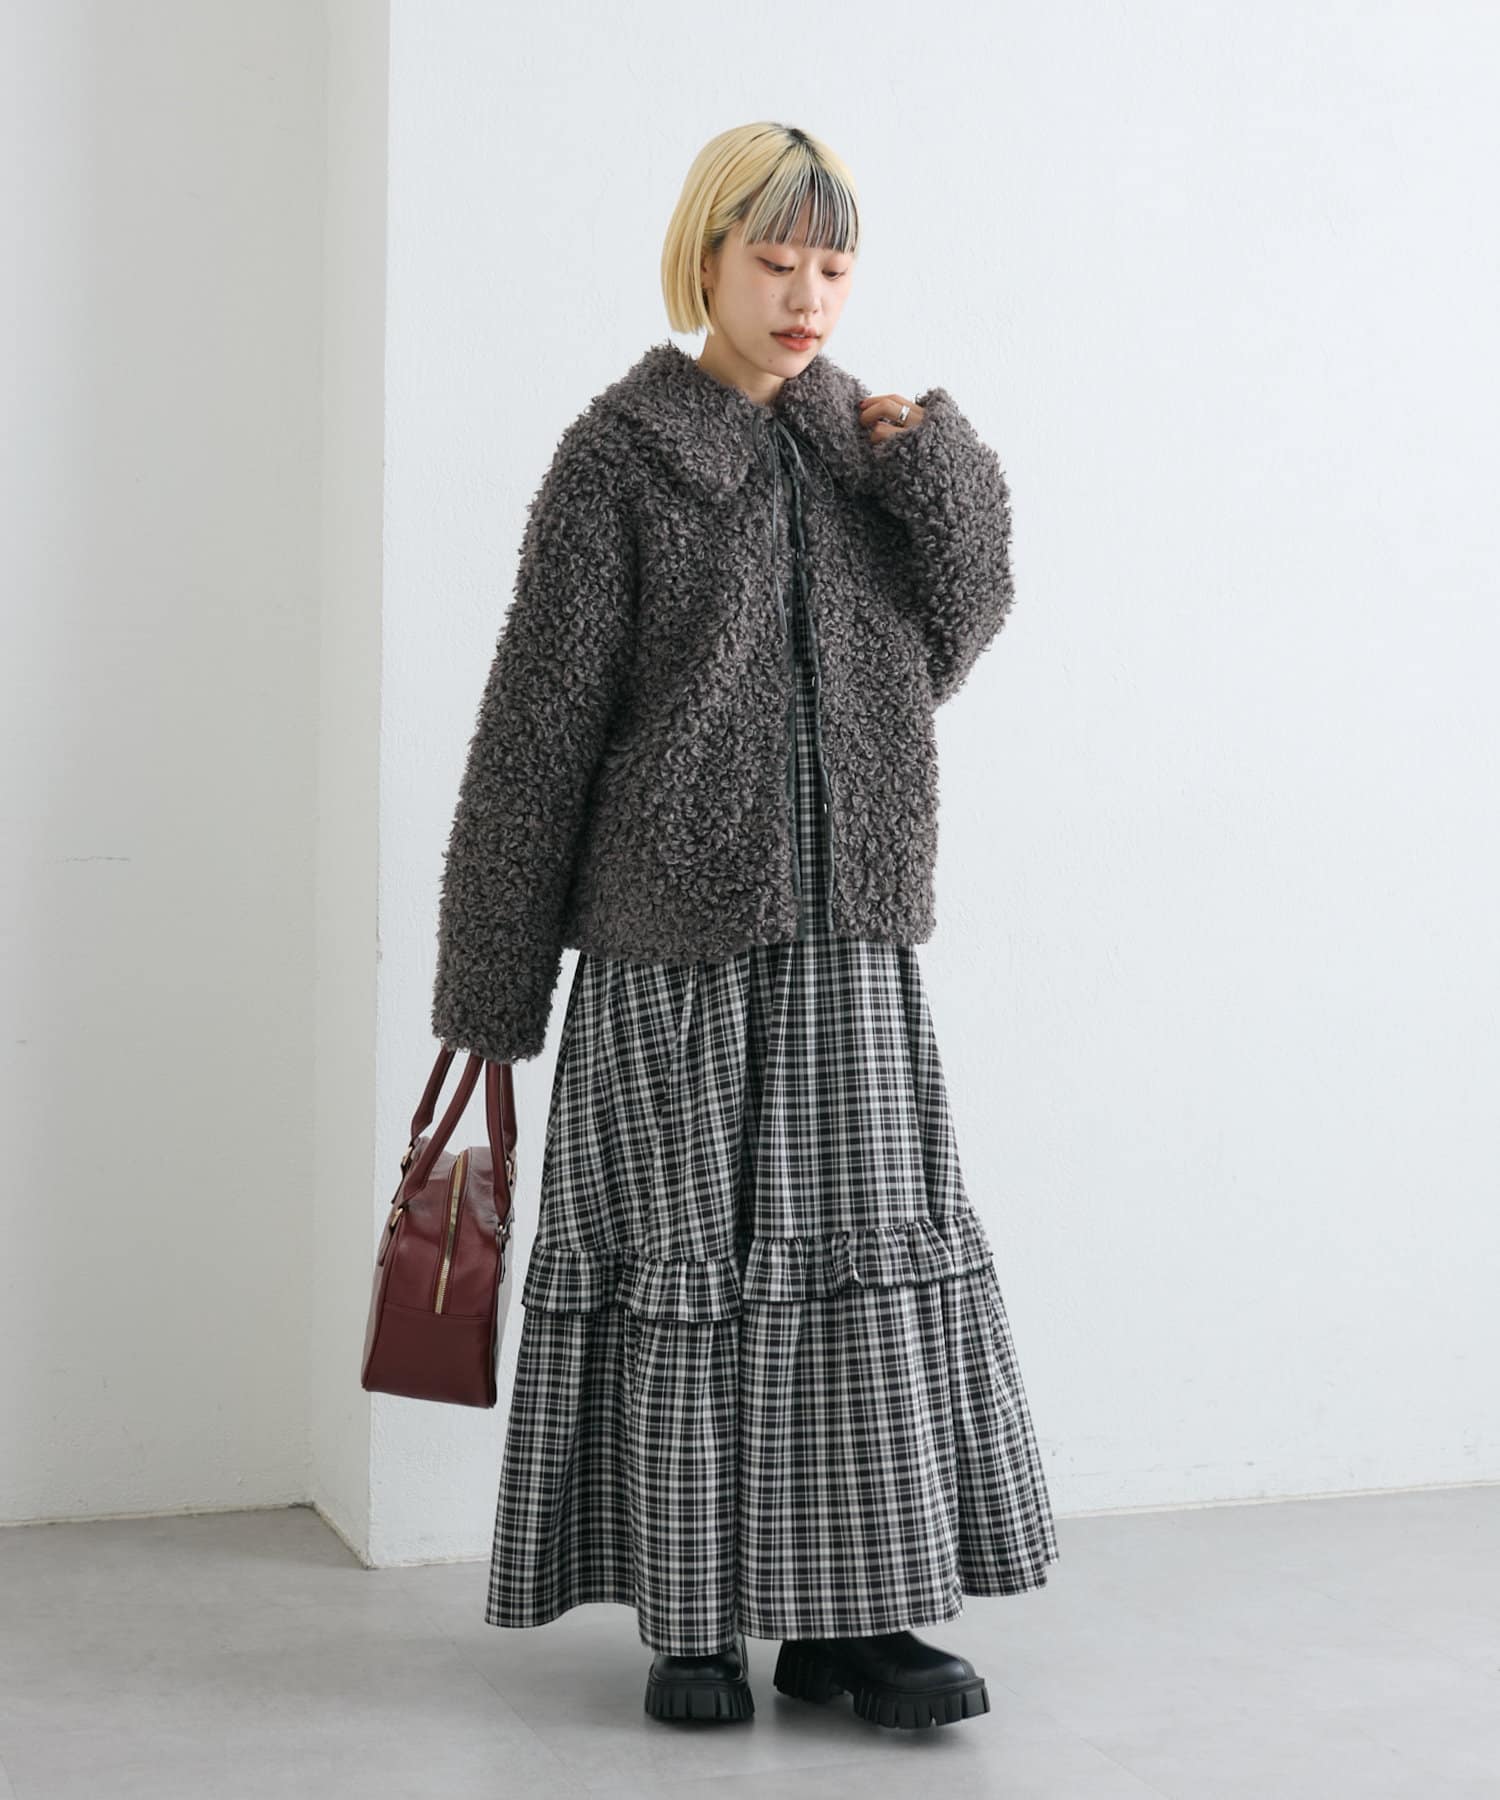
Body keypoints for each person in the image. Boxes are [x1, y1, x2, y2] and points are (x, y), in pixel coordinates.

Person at [431, 120, 1059, 1731]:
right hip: (672, 943)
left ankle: (854, 1622)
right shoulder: (620, 457)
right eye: (775, 261)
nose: (806, 297)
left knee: (852, 1272)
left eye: (833, 267)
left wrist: (943, 471)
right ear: (705, 256)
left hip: (852, 934)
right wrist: (492, 989)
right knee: (687, 1265)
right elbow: (537, 730)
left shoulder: (869, 447)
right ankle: (692, 1624)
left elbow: (954, 632)